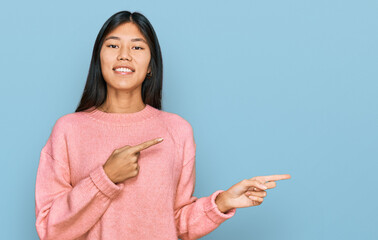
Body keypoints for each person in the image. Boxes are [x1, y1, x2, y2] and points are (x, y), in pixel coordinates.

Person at [34, 10, 291, 240]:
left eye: (137, 48)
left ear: (150, 67)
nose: (124, 55)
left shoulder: (177, 130)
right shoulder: (68, 130)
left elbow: (178, 222)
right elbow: (49, 228)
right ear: (99, 59)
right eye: (113, 45)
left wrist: (222, 202)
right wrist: (106, 177)